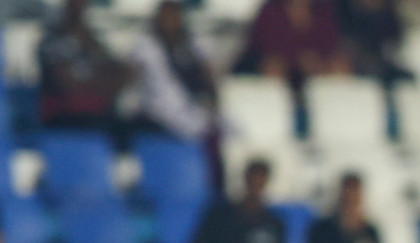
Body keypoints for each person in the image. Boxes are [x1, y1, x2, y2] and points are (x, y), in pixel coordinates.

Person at [125, 1, 218, 143]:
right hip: (155, 112)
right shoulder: (145, 47)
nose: (170, 21)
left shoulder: (193, 47)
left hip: (190, 110)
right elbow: (133, 80)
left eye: (174, 16)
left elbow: (207, 80)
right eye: (166, 17)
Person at [38, 0, 129, 133]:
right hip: (63, 115)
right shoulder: (50, 41)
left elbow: (120, 73)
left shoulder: (93, 42)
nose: (79, 9)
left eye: (82, 5)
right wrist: (101, 84)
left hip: (98, 113)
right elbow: (67, 84)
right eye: (74, 5)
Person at [239, 0, 351, 85]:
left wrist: (317, 62)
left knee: (340, 67)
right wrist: (298, 60)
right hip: (281, 68)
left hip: (317, 69)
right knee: (273, 68)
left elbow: (332, 44)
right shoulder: (271, 11)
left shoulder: (323, 11)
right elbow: (263, 47)